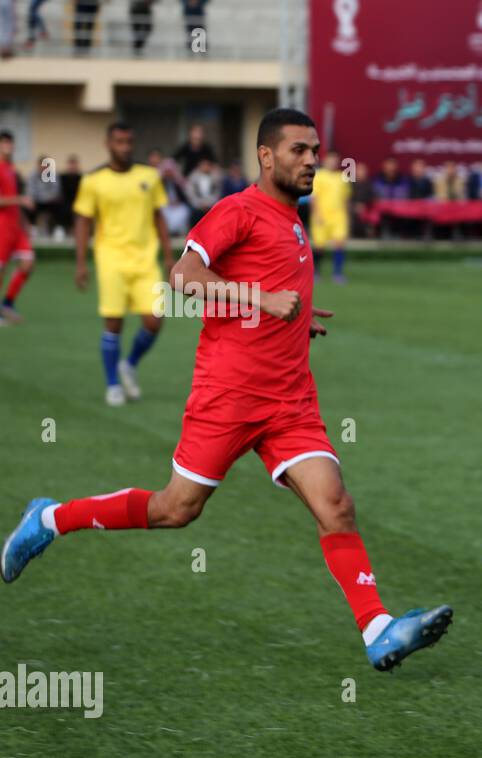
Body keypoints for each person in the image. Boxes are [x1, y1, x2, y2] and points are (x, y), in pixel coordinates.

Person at [2, 108, 455, 673]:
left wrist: (297, 318)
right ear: (266, 156)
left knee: (335, 504)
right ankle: (50, 519)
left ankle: (378, 629)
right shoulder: (237, 210)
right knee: (176, 510)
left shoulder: (293, 219)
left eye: (315, 150)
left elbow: (267, 284)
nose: (312, 160)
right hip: (227, 398)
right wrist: (263, 302)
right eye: (298, 150)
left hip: (290, 401)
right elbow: (184, 280)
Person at [72, 122, 173, 406]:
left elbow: (159, 217)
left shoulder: (149, 176)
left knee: (155, 320)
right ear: (108, 144)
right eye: (119, 142)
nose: (125, 147)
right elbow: (83, 221)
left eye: (129, 142)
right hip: (111, 260)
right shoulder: (93, 180)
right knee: (113, 324)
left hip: (145, 261)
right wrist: (81, 263)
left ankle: (128, 365)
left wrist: (168, 255)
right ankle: (113, 385)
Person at [0, 130, 35, 325]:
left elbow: (13, 201)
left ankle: (7, 303)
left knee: (28, 263)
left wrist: (25, 222)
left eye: (10, 142)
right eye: (4, 142)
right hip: (2, 227)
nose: (8, 145)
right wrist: (20, 199)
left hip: (16, 227)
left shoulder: (11, 169)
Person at [311, 150, 351, 283]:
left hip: (339, 217)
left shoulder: (343, 177)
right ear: (325, 160)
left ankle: (337, 273)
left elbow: (346, 198)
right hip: (322, 216)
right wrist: (317, 214)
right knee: (319, 246)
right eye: (330, 159)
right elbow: (314, 198)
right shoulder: (319, 176)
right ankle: (316, 272)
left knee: (339, 244)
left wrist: (347, 216)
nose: (332, 162)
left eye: (335, 160)